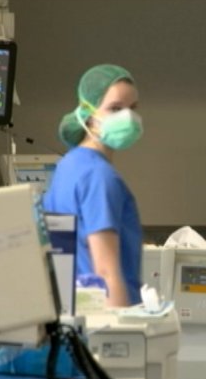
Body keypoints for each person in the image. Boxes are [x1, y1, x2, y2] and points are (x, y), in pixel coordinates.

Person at [44, 64, 143, 307]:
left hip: (76, 314)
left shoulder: (68, 166)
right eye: (115, 108)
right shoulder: (99, 177)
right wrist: (121, 338)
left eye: (133, 108)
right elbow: (106, 273)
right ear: (89, 113)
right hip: (103, 318)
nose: (127, 117)